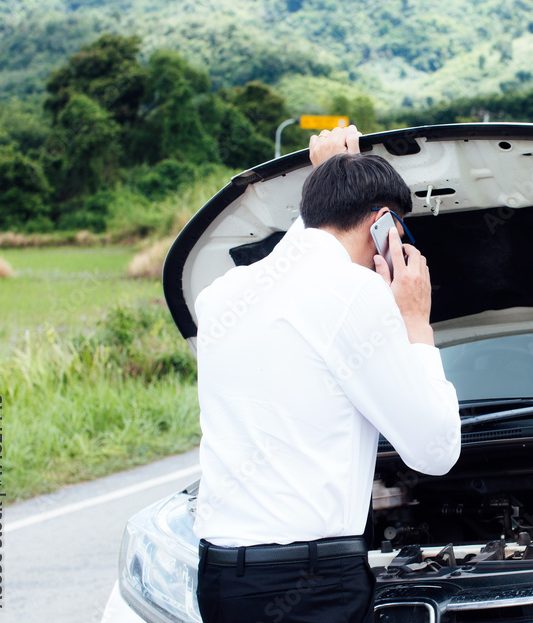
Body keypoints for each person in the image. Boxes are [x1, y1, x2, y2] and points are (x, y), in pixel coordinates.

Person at [193, 125, 461, 623]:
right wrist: (414, 319)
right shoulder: (357, 293)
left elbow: (295, 263)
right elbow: (435, 451)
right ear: (384, 224)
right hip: (310, 586)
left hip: (221, 581)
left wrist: (332, 178)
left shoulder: (221, 295)